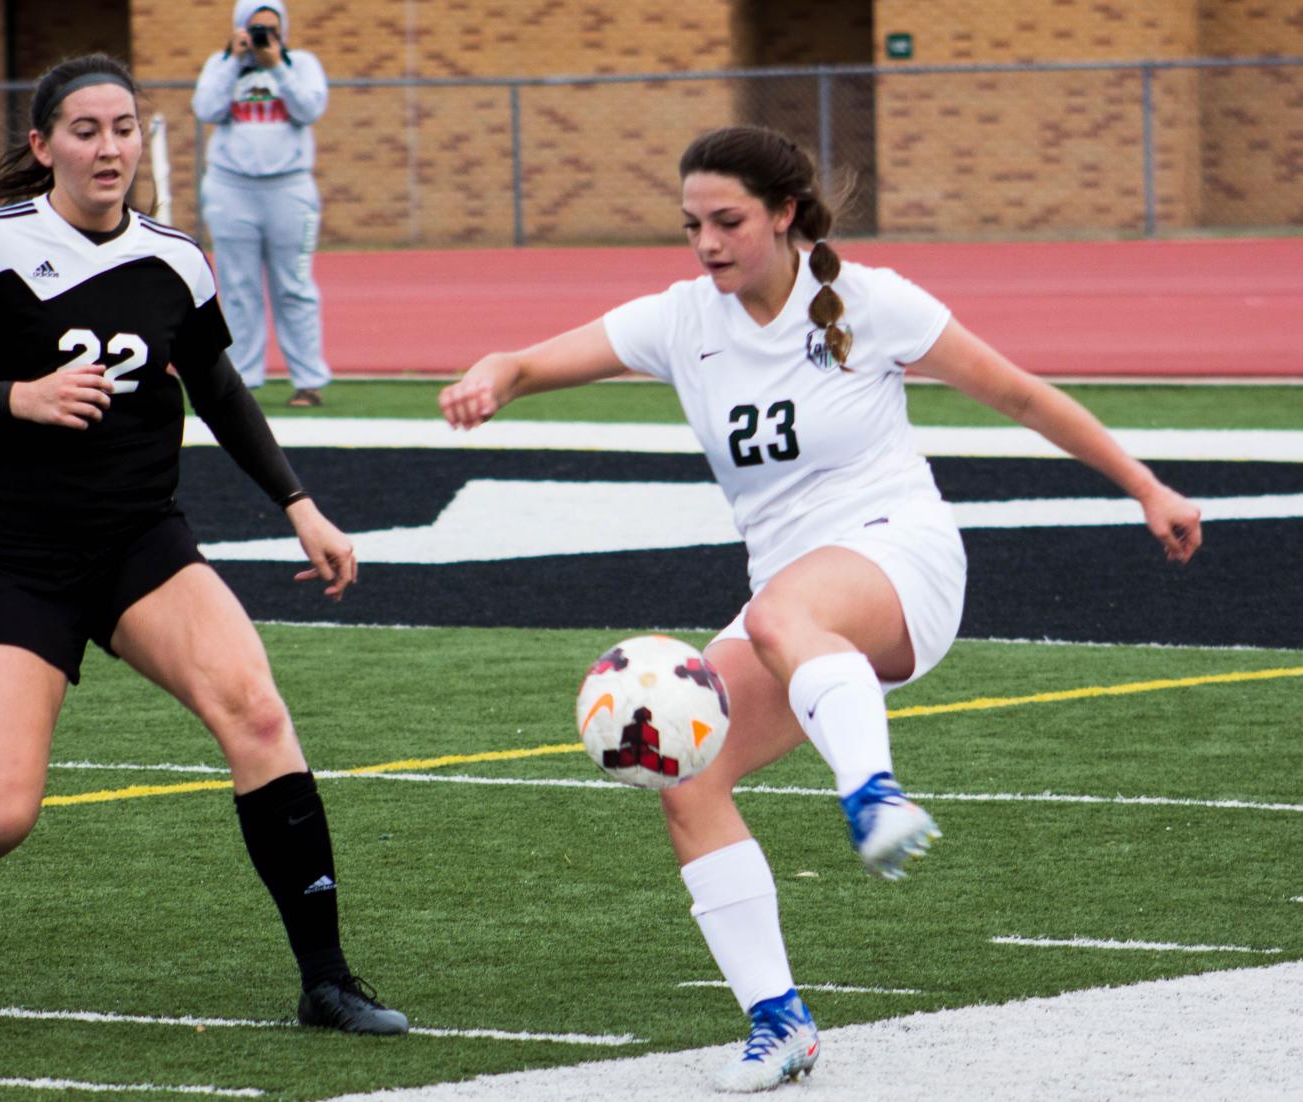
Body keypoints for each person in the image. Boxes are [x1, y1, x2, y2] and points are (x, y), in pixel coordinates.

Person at [439, 125, 1202, 1092]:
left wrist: (1146, 487)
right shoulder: (684, 320)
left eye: (728, 221)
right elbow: (535, 361)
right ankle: (779, 1022)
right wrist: (495, 375)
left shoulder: (869, 301)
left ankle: (873, 794)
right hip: (793, 597)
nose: (707, 243)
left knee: (777, 618)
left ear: (784, 214)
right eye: (691, 225)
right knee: (689, 778)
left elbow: (1019, 396)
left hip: (901, 559)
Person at [0, 53, 406, 1037]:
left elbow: (218, 388)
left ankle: (328, 979)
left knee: (258, 714)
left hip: (139, 539)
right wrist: (17, 397)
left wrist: (298, 503)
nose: (107, 147)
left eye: (123, 128)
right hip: (10, 552)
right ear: (43, 145)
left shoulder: (174, 256)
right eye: (84, 130)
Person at [192, 1, 332, 408]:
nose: (264, 36)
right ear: (240, 28)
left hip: (290, 188)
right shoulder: (221, 65)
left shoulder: (300, 64)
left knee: (296, 286)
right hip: (230, 188)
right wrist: (234, 60)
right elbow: (206, 109)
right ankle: (243, 382)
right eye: (256, 28)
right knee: (237, 288)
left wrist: (277, 67)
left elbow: (309, 108)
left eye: (272, 28)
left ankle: (308, 381)